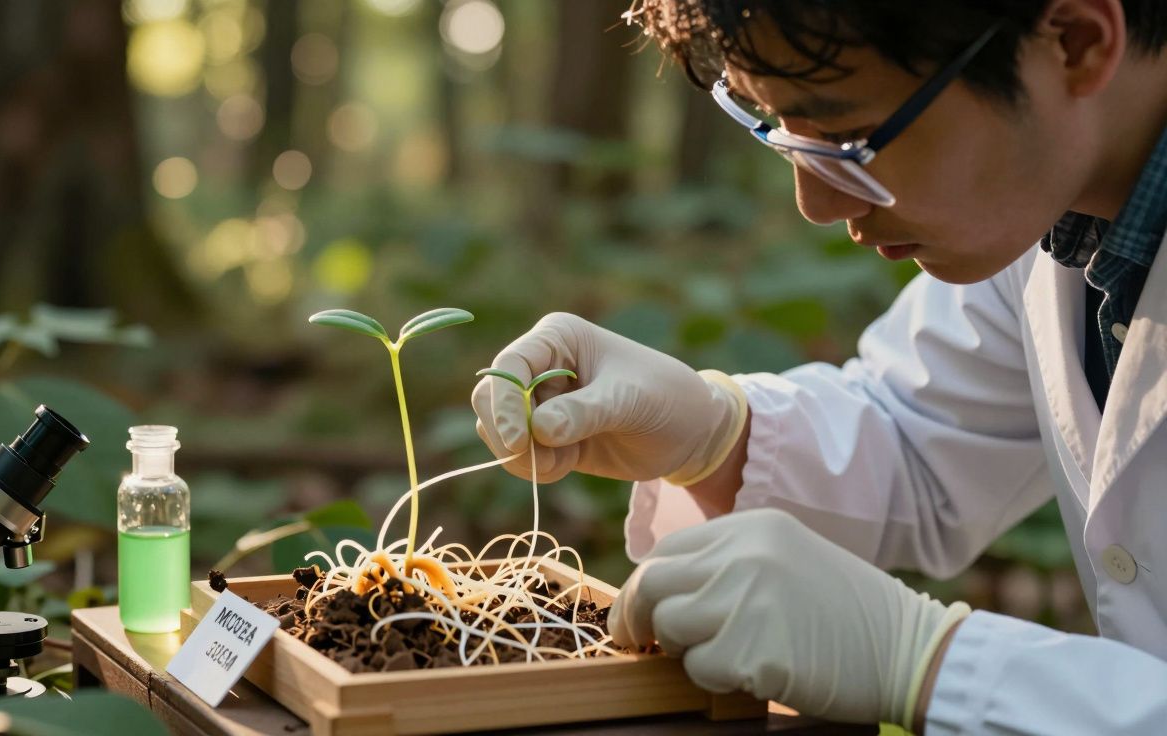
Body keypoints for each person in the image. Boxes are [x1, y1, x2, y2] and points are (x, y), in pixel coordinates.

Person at [471, 1, 1167, 733]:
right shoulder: (1049, 208)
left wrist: (932, 664)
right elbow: (921, 435)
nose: (815, 200)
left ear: (1076, 41)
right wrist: (714, 438)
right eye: (779, 128)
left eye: (849, 137)